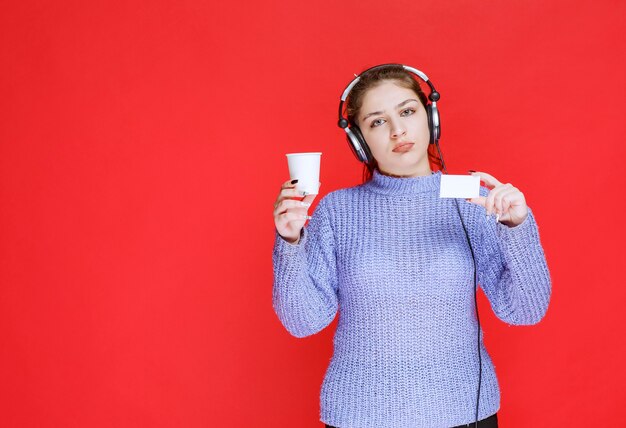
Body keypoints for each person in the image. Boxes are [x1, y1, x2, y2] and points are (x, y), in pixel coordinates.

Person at [271, 64, 551, 428]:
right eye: (377, 122)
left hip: (463, 414)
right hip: (359, 417)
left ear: (430, 117)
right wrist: (290, 243)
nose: (397, 130)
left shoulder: (473, 200)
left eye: (407, 111)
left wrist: (517, 227)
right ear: (359, 142)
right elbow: (302, 322)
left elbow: (525, 311)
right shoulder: (337, 211)